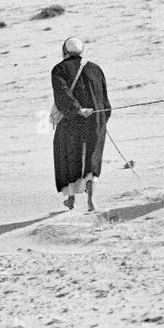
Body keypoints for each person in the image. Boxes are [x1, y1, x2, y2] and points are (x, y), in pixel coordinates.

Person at [52, 37, 112, 211]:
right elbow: (104, 99)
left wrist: (77, 110)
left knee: (69, 156)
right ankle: (90, 200)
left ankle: (70, 199)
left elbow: (62, 94)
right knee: (91, 159)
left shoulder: (59, 69)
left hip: (71, 120)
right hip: (96, 120)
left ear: (65, 51)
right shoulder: (96, 69)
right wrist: (102, 120)